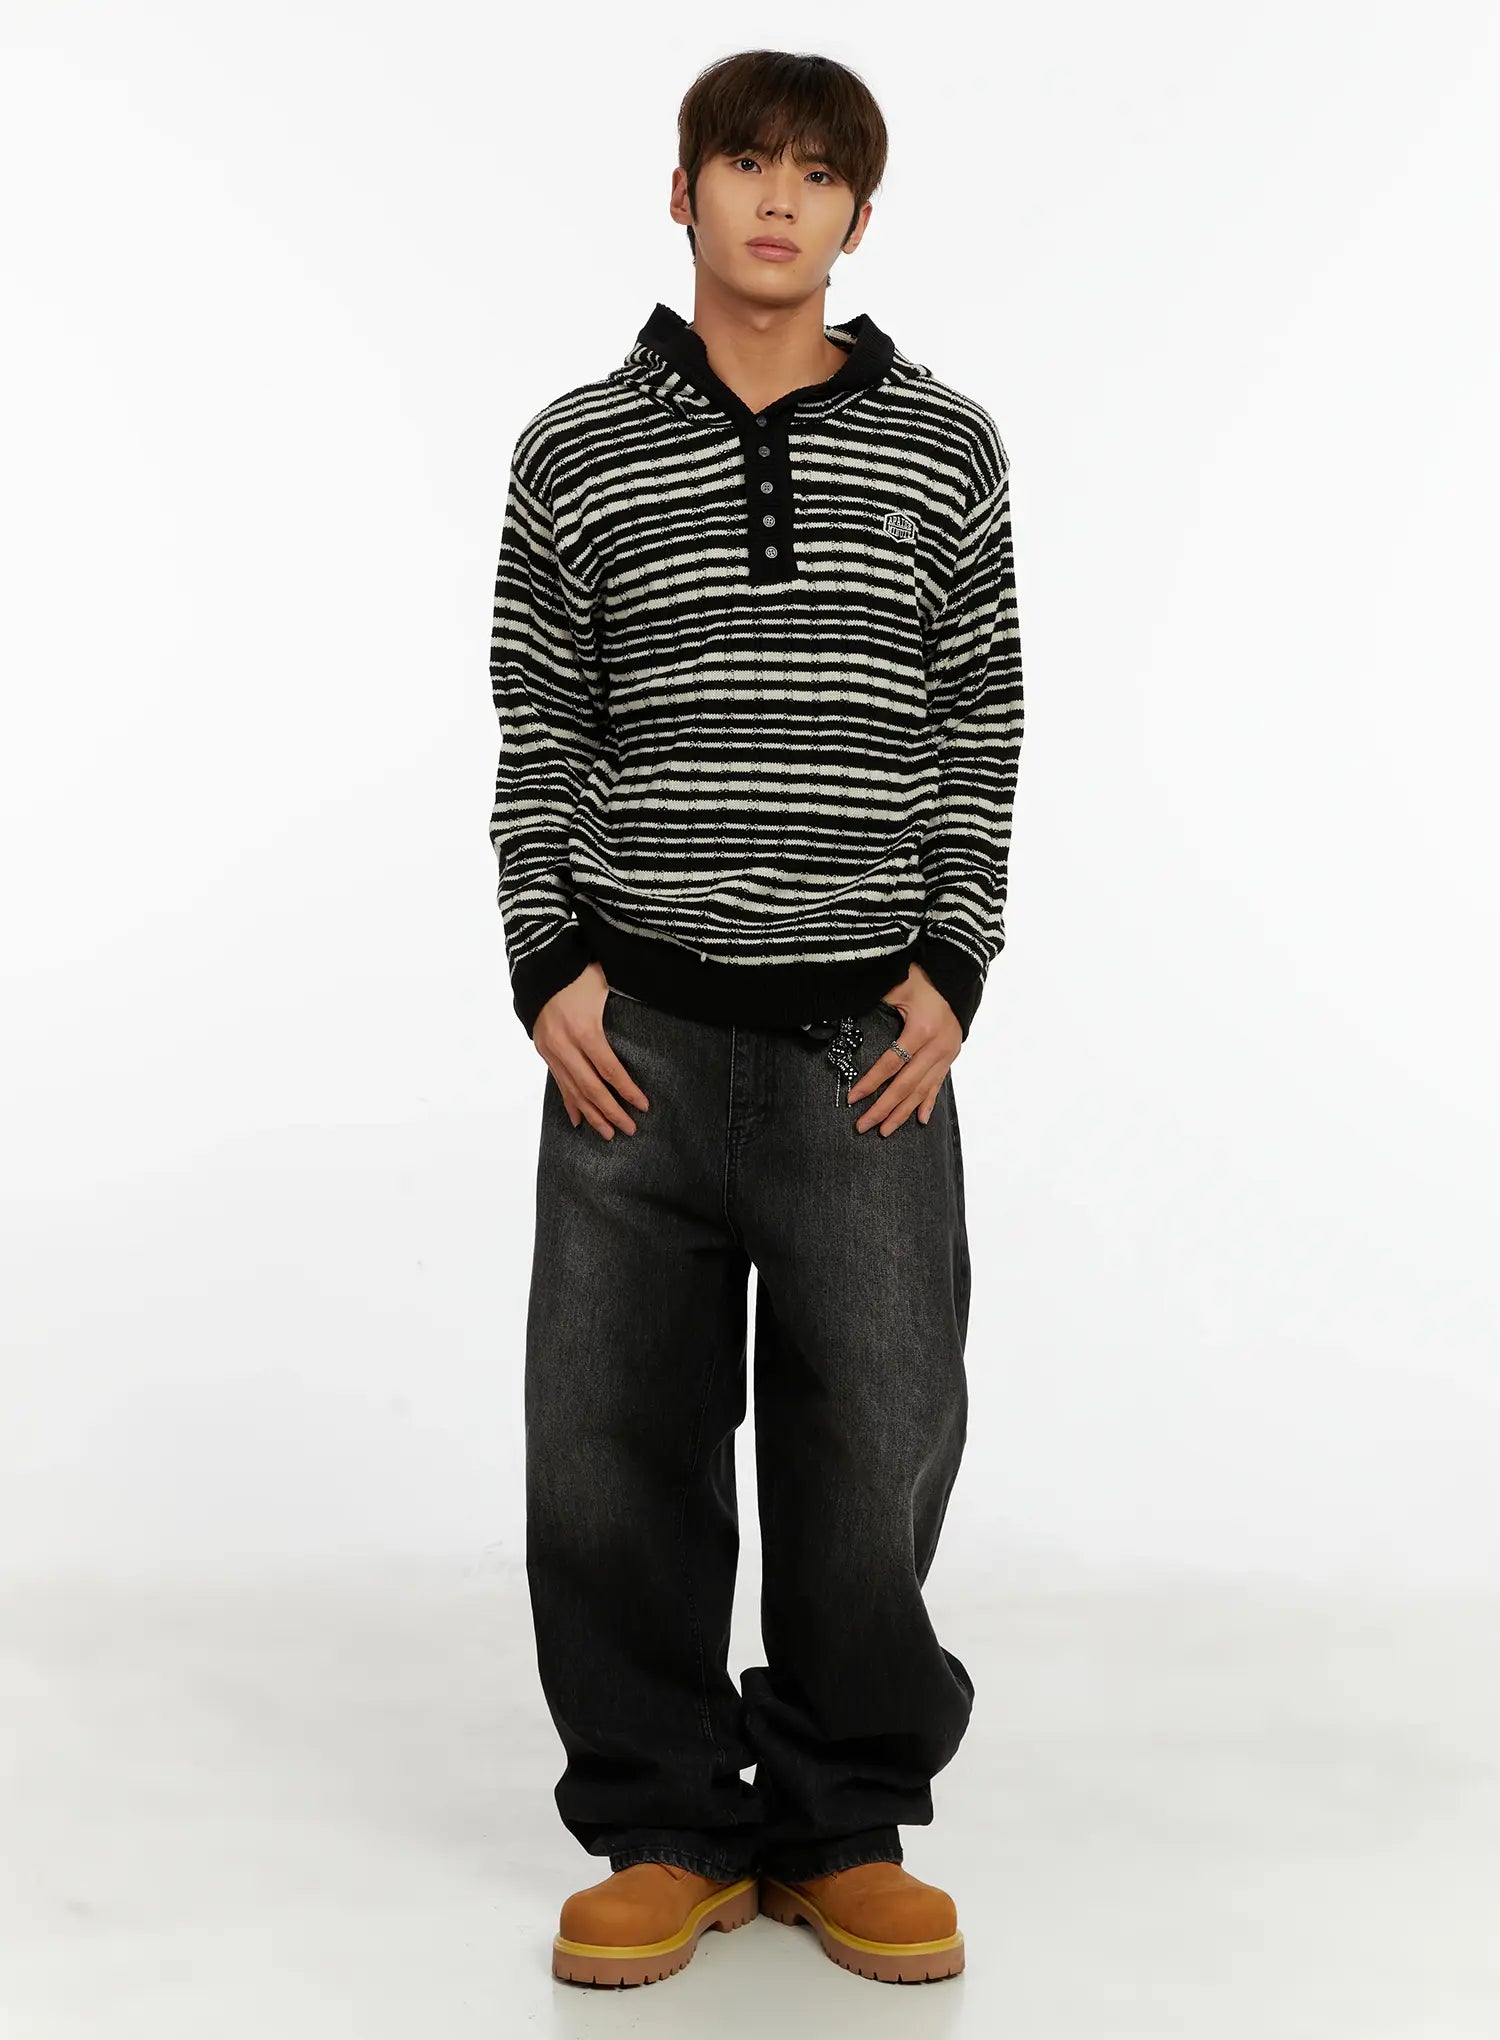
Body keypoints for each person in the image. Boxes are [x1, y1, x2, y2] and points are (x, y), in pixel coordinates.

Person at [488, 47, 1024, 1989]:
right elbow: (538, 723)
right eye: (743, 162)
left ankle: (838, 1818)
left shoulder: (946, 450)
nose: (778, 198)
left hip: (863, 1055)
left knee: (874, 1442)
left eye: (816, 172)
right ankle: (662, 1824)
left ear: (860, 215)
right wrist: (546, 958)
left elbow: (982, 716)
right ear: (684, 191)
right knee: (608, 1452)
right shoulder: (574, 450)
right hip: (628, 1045)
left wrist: (953, 963)